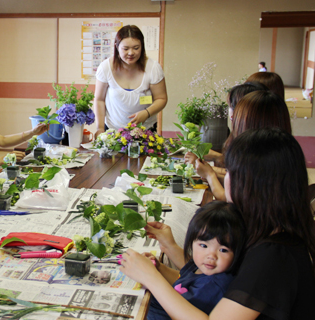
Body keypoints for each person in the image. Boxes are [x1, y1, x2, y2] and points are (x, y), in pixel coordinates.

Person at [121, 128, 315, 319]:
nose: (226, 177)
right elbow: (207, 277)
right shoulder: (266, 230)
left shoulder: (272, 257)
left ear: (253, 186)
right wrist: (166, 254)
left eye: (230, 172)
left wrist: (151, 278)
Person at [144, 201, 246, 319]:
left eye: (223, 250)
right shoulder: (202, 269)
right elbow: (182, 282)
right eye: (203, 246)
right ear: (191, 242)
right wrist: (159, 268)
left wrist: (149, 276)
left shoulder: (213, 286)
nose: (211, 256)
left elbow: (178, 310)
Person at [190, 90, 292, 201]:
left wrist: (210, 174)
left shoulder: (253, 153)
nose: (232, 116)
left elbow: (231, 198)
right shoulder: (288, 148)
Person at [93, 25, 167, 138]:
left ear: (142, 47)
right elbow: (99, 100)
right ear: (117, 47)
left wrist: (146, 113)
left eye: (136, 48)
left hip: (145, 130)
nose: (131, 53)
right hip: (113, 130)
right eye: (126, 48)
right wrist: (100, 128)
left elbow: (161, 98)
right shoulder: (105, 67)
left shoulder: (153, 68)